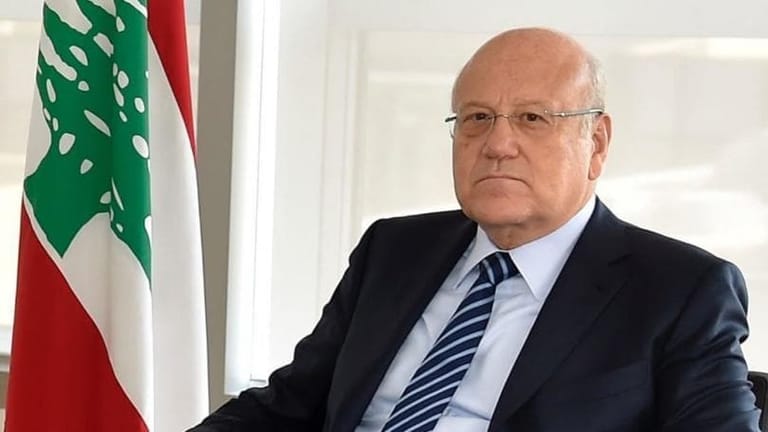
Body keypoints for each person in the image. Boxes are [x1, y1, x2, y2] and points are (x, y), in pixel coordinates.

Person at [189, 27, 760, 431]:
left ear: (597, 142)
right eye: (477, 118)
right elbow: (287, 406)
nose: (498, 144)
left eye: (533, 118)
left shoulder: (680, 290)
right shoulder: (392, 250)